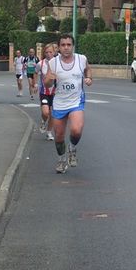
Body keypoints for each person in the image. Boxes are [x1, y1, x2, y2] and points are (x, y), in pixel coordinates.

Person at [44, 34, 93, 174]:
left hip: (76, 101)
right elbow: (47, 83)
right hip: (59, 103)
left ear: (73, 46)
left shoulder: (81, 59)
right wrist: (49, 79)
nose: (66, 47)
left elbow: (88, 69)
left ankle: (72, 148)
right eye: (63, 45)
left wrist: (88, 78)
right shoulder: (53, 62)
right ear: (59, 47)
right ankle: (61, 159)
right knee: (59, 135)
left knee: (77, 129)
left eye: (69, 45)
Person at [37, 43, 57, 141]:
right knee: (46, 113)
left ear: (54, 53)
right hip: (44, 92)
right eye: (47, 52)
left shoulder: (59, 64)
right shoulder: (40, 64)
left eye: (51, 52)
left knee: (53, 114)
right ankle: (43, 121)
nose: (48, 54)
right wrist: (35, 84)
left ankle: (49, 132)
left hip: (55, 93)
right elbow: (36, 73)